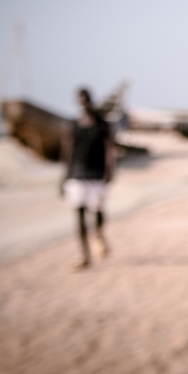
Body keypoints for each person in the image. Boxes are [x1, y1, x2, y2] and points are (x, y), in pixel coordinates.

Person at [61, 88, 115, 269]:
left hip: (96, 174)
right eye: (80, 100)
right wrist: (64, 176)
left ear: (90, 100)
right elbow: (68, 151)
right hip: (76, 175)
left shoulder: (101, 125)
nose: (83, 103)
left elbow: (109, 148)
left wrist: (109, 169)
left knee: (98, 211)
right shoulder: (74, 124)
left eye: (86, 99)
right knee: (79, 216)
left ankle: (98, 234)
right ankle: (85, 255)